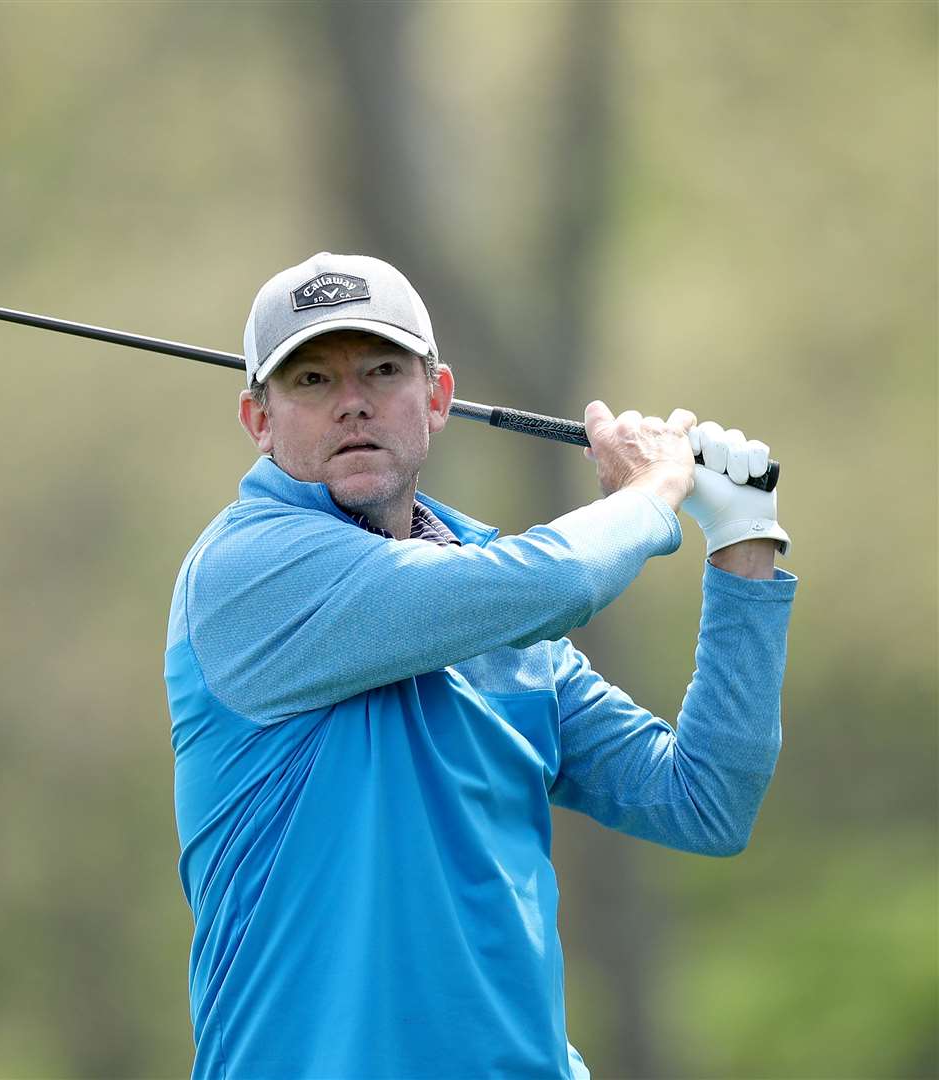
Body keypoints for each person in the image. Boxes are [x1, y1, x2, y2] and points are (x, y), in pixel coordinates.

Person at [165, 253, 797, 1079]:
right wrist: (649, 494)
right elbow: (562, 576)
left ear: (437, 398)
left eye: (382, 370)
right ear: (258, 418)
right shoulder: (248, 573)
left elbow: (706, 803)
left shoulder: (501, 606)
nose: (351, 400)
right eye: (311, 380)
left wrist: (745, 546)